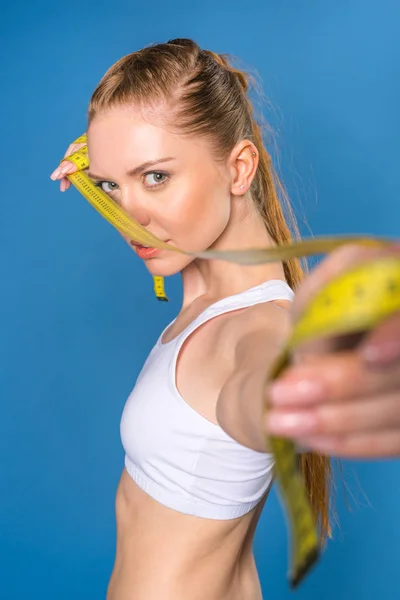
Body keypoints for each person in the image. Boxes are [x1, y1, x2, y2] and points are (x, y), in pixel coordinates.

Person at [50, 38, 400, 600]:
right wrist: (106, 167)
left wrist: (327, 370)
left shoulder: (255, 331)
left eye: (156, 177)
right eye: (113, 186)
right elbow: (148, 192)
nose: (128, 216)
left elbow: (265, 382)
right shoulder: (198, 286)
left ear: (239, 168)